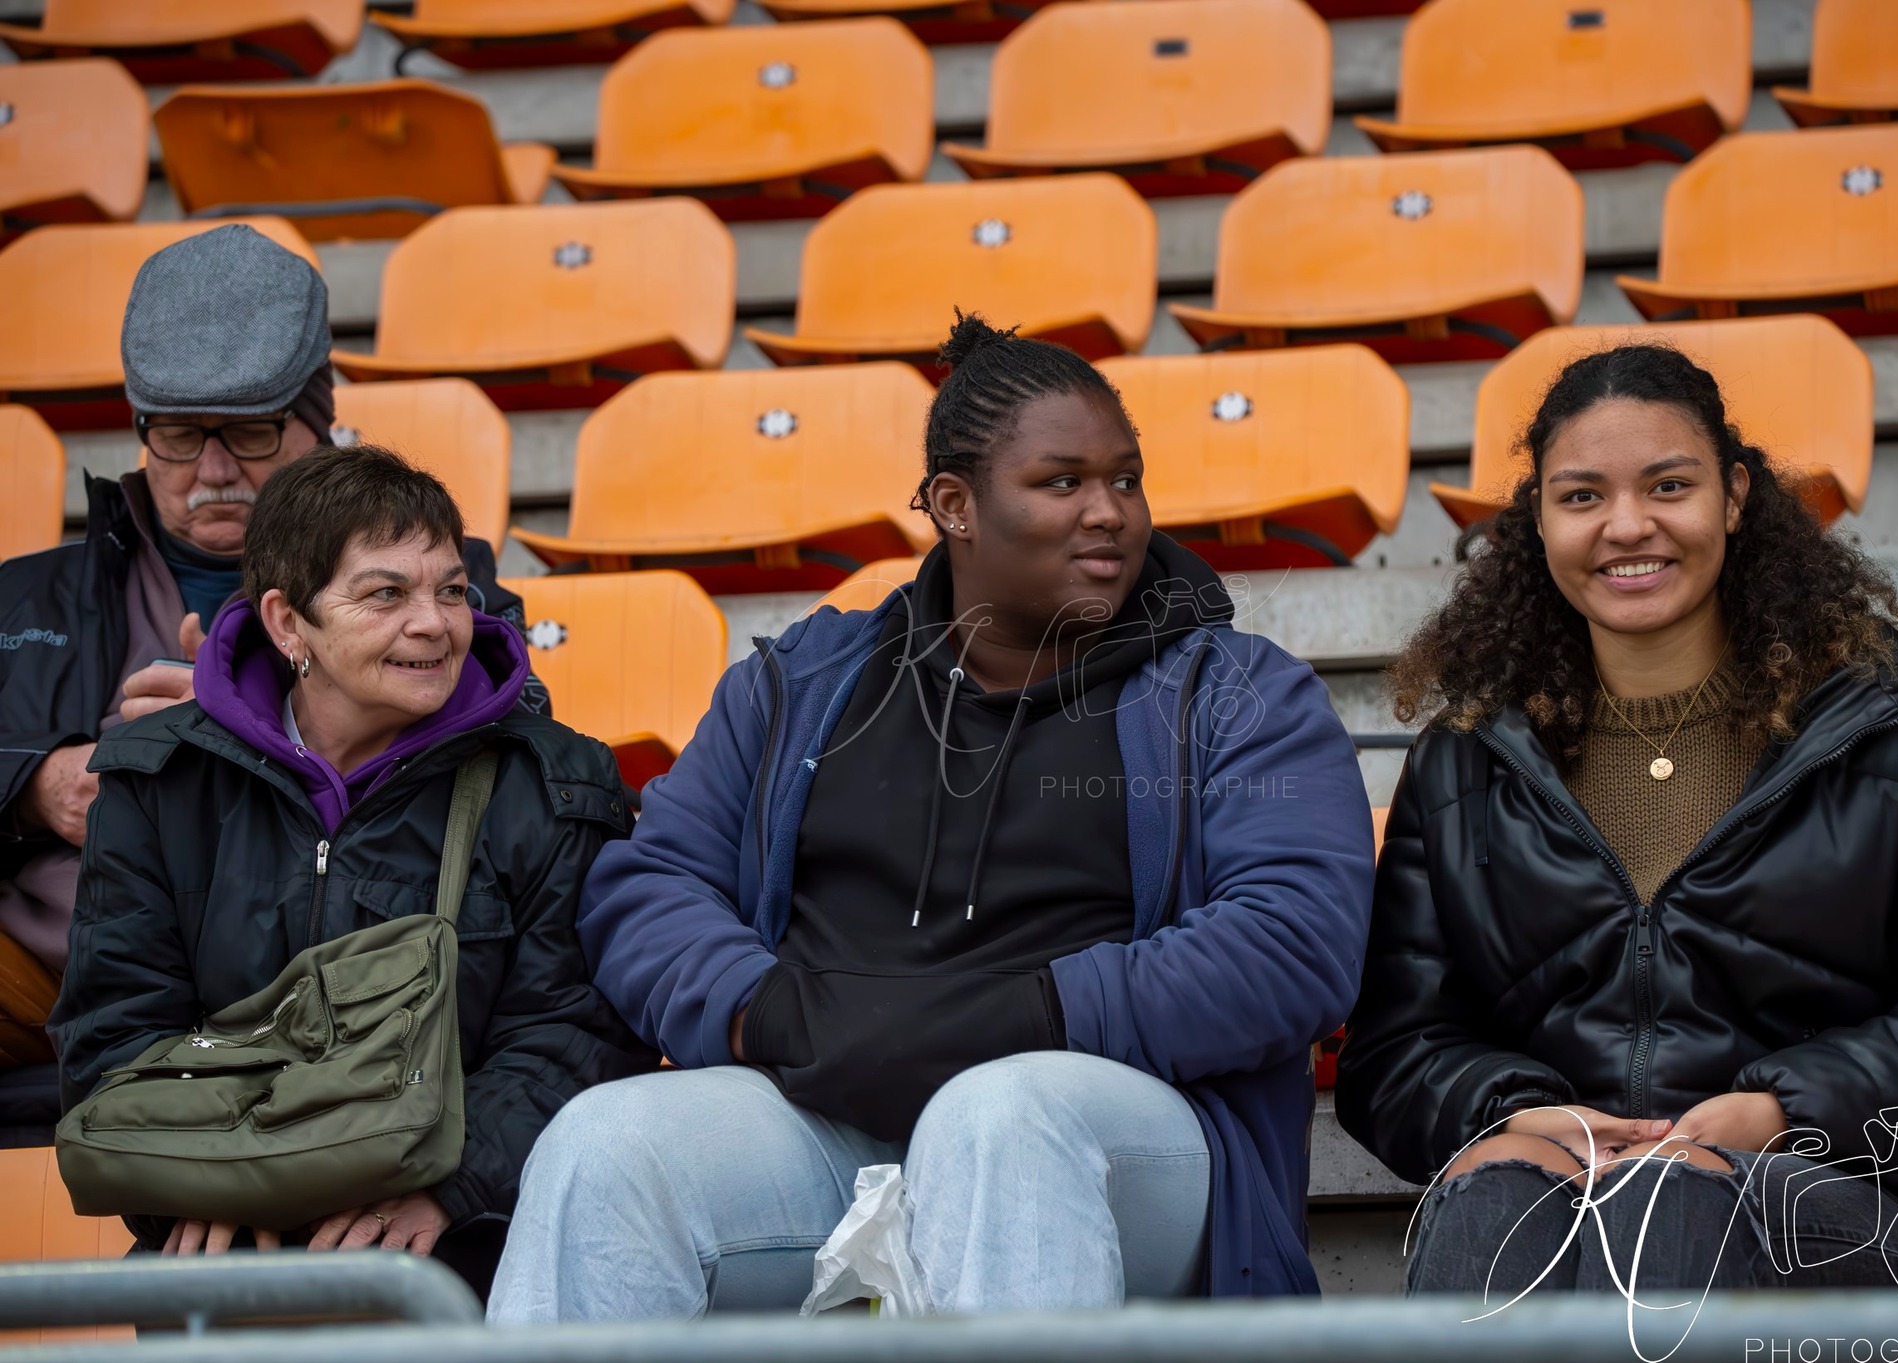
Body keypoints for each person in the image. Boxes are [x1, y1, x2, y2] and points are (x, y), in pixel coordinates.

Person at [488, 315, 1374, 1321]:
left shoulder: (1234, 693)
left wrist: (1034, 1016)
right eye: (1062, 482)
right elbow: (648, 886)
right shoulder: (802, 681)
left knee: (996, 1114)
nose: (1111, 514)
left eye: (1124, 479)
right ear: (955, 504)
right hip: (824, 1110)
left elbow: (1293, 940)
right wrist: (764, 1010)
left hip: (1105, 1127)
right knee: (604, 1144)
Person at [1335, 344, 1898, 1298]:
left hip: (1846, 1200)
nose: (1628, 525)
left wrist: (1781, 1109)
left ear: (1736, 495)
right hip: (1569, 1189)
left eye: (1669, 484)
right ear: (1538, 521)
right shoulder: (1466, 762)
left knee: (1662, 1203)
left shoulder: (1891, 734)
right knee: (1491, 1204)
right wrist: (1519, 1114)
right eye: (1582, 496)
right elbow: (1394, 1049)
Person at [47, 445, 653, 1297]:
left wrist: (451, 1184)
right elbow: (115, 1032)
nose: (435, 623)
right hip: (226, 1233)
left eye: (449, 589)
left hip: (467, 1234)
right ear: (288, 622)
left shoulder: (556, 784)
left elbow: (576, 1034)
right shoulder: (158, 781)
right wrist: (222, 1173)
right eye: (385, 593)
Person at [0, 224, 544, 997]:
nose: (214, 470)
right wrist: (33, 784)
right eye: (180, 435)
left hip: (303, 977)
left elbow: (522, 735)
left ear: (318, 425)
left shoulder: (449, 582)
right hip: (38, 972)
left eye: (252, 432)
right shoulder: (22, 596)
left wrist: (264, 723)